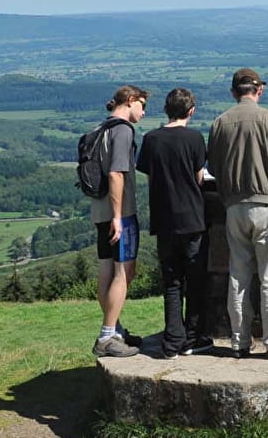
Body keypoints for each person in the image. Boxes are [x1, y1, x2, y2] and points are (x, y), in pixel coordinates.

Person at [207, 68, 268, 360]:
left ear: (234, 92)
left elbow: (215, 167)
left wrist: (228, 196)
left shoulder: (220, 122)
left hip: (234, 207)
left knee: (238, 276)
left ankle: (239, 341)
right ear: (258, 91)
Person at [136, 87, 214, 357]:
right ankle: (192, 339)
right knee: (195, 282)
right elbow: (199, 177)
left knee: (171, 283)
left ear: (166, 109)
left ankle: (171, 341)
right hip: (192, 218)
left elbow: (149, 177)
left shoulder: (151, 139)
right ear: (191, 111)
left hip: (164, 218)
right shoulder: (194, 139)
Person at [91, 84, 150, 358]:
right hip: (120, 214)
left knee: (107, 271)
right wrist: (118, 217)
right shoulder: (123, 131)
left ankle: (115, 329)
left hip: (99, 211)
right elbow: (116, 174)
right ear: (129, 100)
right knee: (123, 273)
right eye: (142, 104)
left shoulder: (101, 129)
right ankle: (106, 336)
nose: (144, 111)